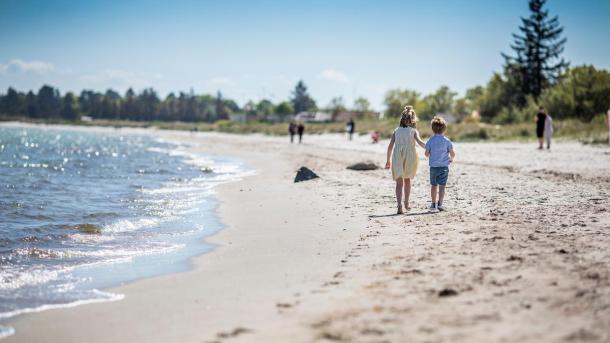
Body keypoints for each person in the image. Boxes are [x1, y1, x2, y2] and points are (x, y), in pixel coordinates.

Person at [385, 105, 426, 214]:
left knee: (399, 182)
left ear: (402, 119)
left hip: (397, 157)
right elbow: (420, 143)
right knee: (407, 180)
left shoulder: (396, 130)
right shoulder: (413, 131)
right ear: (413, 120)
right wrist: (430, 148)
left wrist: (388, 160)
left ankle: (399, 205)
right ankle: (406, 202)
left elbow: (390, 146)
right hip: (410, 157)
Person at [425, 116, 455, 212]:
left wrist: (430, 154)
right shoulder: (447, 141)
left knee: (434, 186)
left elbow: (426, 153)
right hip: (444, 167)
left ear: (432, 129)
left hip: (433, 167)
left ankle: (433, 205)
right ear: (444, 129)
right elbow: (452, 153)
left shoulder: (430, 140)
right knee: (442, 186)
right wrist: (451, 159)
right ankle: (440, 204)